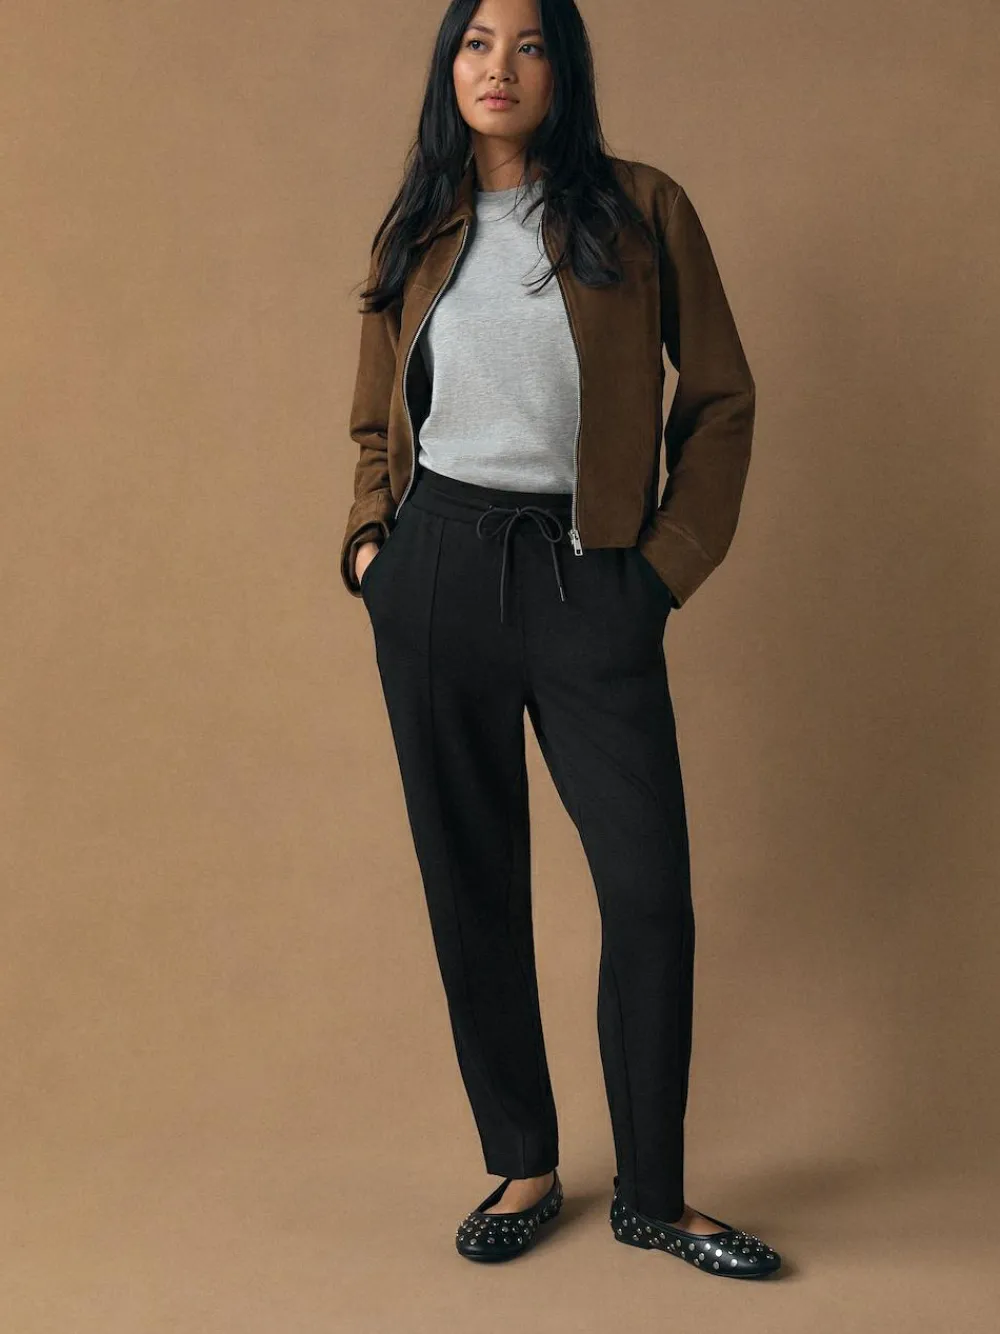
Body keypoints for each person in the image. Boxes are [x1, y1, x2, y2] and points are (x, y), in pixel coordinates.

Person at [339, 0, 781, 1279]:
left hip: (590, 577)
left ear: (562, 69)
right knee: (469, 882)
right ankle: (524, 1161)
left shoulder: (641, 209)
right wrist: (371, 550)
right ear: (450, 66)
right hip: (434, 577)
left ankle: (653, 1193)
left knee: (647, 893)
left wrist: (660, 572)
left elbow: (722, 399)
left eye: (528, 44)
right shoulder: (416, 227)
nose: (499, 66)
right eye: (476, 42)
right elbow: (371, 419)